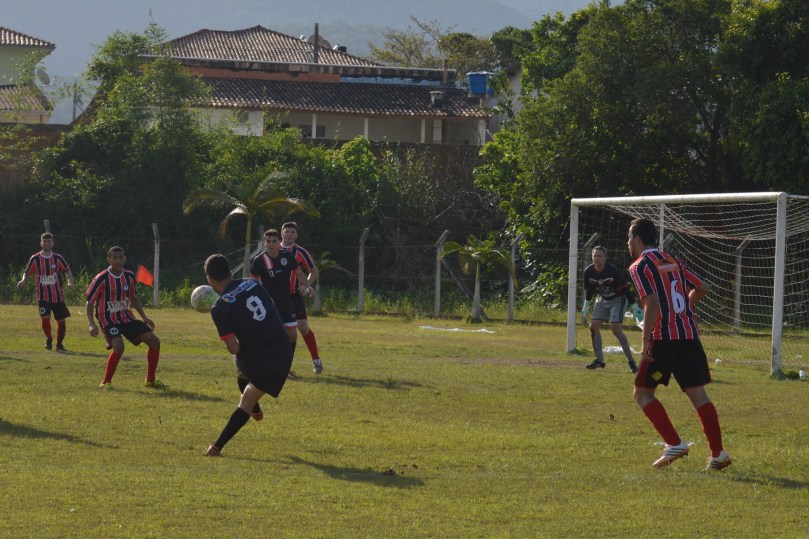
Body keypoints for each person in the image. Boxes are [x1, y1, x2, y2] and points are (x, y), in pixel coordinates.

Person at [627, 218, 731, 470]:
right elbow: (702, 287)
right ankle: (718, 453)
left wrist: (645, 339)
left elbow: (651, 303)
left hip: (663, 340)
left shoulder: (639, 266)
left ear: (638, 240)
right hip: (688, 337)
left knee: (642, 393)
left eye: (629, 238)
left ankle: (675, 443)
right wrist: (683, 308)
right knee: (698, 394)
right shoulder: (672, 260)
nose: (628, 243)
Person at [203, 253, 293, 457]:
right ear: (229, 271)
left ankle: (216, 446)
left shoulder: (219, 308)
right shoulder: (252, 283)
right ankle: (255, 409)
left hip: (263, 361)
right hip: (284, 349)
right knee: (242, 370)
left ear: (209, 279)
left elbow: (234, 348)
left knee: (246, 396)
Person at [85, 246, 166, 390]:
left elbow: (133, 298)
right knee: (119, 347)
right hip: (108, 319)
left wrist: (144, 317)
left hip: (126, 317)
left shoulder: (129, 276)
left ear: (124, 258)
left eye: (120, 257)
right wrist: (91, 323)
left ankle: (150, 381)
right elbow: (90, 302)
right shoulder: (101, 278)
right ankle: (106, 382)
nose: (118, 260)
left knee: (154, 341)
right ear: (109, 259)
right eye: (114, 258)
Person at [251, 228, 313, 381]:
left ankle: (285, 368)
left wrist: (308, 286)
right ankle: (274, 368)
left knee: (292, 336)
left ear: (279, 242)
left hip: (287, 303)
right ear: (264, 243)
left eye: (274, 241)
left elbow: (300, 274)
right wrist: (261, 299)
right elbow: (253, 283)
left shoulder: (287, 256)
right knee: (276, 337)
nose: (271, 244)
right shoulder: (259, 261)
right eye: (268, 242)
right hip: (270, 305)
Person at [581, 246, 643, 373]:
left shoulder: (612, 271)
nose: (597, 258)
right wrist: (587, 304)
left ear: (605, 258)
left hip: (617, 300)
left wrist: (634, 306)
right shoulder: (588, 272)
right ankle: (600, 360)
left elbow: (625, 289)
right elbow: (590, 290)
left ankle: (631, 362)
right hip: (602, 300)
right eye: (595, 256)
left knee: (616, 330)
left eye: (600, 256)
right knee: (593, 327)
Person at [17, 232, 75, 352]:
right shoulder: (35, 258)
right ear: (41, 243)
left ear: (53, 243)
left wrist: (70, 282)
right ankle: (49, 339)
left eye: (49, 241)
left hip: (57, 296)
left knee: (61, 322)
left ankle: (59, 345)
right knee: (45, 320)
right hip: (43, 296)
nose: (47, 243)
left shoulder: (58, 258)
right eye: (45, 241)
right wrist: (23, 280)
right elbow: (27, 273)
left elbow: (67, 271)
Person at [280, 221, 323, 374]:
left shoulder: (300, 252)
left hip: (295, 296)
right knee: (281, 330)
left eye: (293, 232)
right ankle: (282, 366)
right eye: (287, 231)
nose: (290, 234)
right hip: (278, 297)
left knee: (303, 327)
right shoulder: (273, 250)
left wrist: (306, 285)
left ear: (296, 235)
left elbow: (313, 271)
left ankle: (316, 360)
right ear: (282, 233)